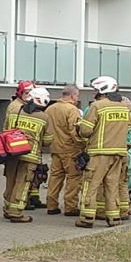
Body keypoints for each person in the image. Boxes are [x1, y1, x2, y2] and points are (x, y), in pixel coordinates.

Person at [76, 76, 131, 228]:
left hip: (99, 154)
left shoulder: (97, 106)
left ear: (101, 90)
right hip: (119, 155)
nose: (94, 93)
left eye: (95, 90)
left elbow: (86, 131)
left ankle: (87, 218)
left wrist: (79, 127)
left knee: (91, 185)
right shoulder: (123, 107)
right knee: (112, 186)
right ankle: (114, 218)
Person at [2, 86, 55, 223]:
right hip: (30, 156)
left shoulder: (15, 111)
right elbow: (48, 140)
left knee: (10, 182)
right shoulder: (44, 117)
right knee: (23, 183)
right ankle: (16, 212)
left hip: (11, 153)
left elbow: (5, 130)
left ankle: (7, 209)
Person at [44, 84, 85, 216]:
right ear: (73, 95)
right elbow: (75, 132)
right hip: (70, 150)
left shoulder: (50, 109)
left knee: (55, 177)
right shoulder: (72, 110)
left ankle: (51, 205)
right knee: (73, 178)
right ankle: (70, 207)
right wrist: (83, 145)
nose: (77, 98)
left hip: (55, 148)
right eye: (77, 96)